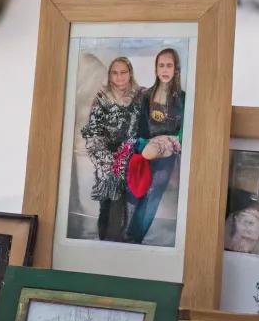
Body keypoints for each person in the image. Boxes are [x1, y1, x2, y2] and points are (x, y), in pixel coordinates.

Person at [125, 48, 185, 245]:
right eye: (161, 66)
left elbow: (184, 131)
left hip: (167, 155)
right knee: (135, 191)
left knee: (154, 192)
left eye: (169, 65)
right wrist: (144, 146)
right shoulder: (145, 96)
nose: (165, 70)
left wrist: (172, 142)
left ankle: (135, 238)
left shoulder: (184, 99)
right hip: (144, 151)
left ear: (176, 69)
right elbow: (137, 128)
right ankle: (123, 235)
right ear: (156, 69)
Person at [79, 56, 142, 241]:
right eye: (115, 73)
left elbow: (142, 126)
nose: (119, 77)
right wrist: (107, 161)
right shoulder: (102, 98)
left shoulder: (139, 96)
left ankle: (121, 243)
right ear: (109, 75)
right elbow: (93, 131)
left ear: (130, 73)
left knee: (125, 203)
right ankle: (105, 242)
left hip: (131, 155)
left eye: (123, 72)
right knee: (107, 201)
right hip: (105, 155)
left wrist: (129, 152)